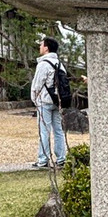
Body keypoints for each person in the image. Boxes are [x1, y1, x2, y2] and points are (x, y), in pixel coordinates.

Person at [30, 36, 67, 168]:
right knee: (58, 130)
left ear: (46, 48)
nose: (40, 47)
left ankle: (43, 159)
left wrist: (34, 99)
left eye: (41, 45)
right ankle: (61, 157)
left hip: (44, 101)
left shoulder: (43, 64)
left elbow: (37, 83)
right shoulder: (59, 64)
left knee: (44, 130)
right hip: (58, 101)